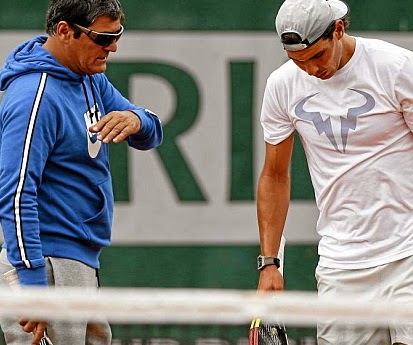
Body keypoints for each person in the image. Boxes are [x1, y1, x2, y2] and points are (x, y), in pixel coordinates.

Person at [0, 0, 163, 343]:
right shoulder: (34, 97)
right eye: (104, 38)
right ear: (65, 31)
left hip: (77, 263)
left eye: (117, 36)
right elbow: (15, 195)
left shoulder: (89, 78)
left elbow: (150, 131)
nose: (113, 47)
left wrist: (136, 119)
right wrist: (33, 288)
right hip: (44, 265)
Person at [256, 0, 413, 344]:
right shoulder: (282, 85)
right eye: (298, 62)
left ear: (339, 30)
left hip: (409, 251)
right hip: (341, 263)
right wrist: (269, 263)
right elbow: (275, 175)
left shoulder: (397, 67)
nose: (311, 70)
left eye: (317, 56)